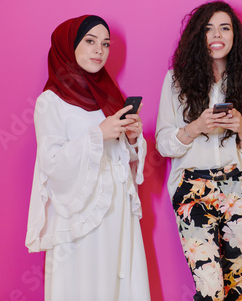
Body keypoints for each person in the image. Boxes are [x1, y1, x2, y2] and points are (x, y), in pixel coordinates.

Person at [25, 15, 150, 300]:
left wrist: (131, 137)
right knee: (84, 283)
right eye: (90, 41)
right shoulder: (51, 102)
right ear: (68, 46)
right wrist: (98, 134)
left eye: (105, 44)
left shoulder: (110, 96)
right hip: (80, 212)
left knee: (117, 282)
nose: (99, 50)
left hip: (116, 209)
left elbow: (121, 156)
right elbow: (51, 162)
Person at [156, 0, 242, 300]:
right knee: (210, 289)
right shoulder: (176, 81)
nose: (217, 34)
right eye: (209, 28)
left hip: (239, 186)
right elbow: (163, 144)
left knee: (237, 290)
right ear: (198, 36)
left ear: (234, 36)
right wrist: (196, 127)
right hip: (193, 186)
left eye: (225, 28)